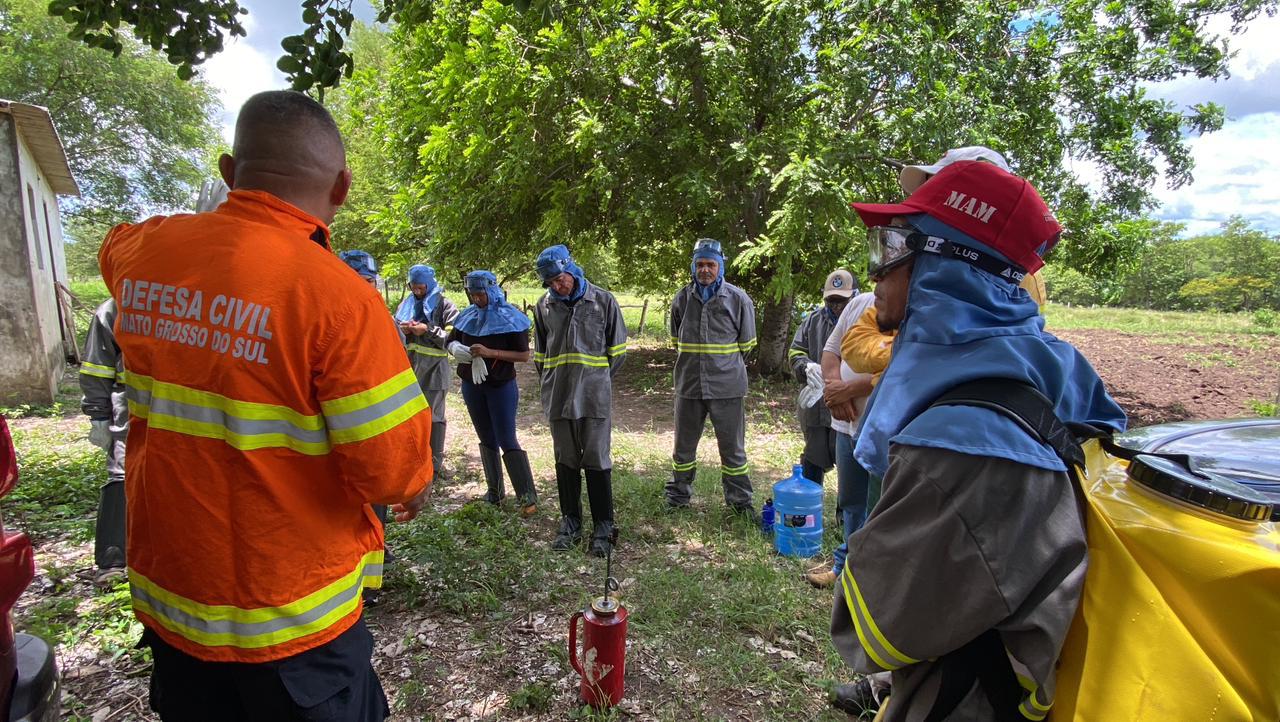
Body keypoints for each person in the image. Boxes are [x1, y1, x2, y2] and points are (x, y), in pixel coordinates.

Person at [98, 90, 434, 722]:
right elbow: (391, 471)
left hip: (176, 602)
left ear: (229, 173)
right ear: (342, 187)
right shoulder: (338, 298)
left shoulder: (139, 253)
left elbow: (114, 248)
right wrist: (414, 484)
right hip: (290, 619)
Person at [830, 161, 1126, 721]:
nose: (875, 274)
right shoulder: (1059, 369)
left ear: (945, 263)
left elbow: (873, 629)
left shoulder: (958, 444)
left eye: (891, 248)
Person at [532, 245, 627, 556]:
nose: (558, 287)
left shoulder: (602, 301)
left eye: (561, 279)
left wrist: (595, 380)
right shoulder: (544, 306)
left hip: (593, 396)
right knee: (566, 459)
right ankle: (570, 523)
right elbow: (540, 355)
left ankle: (604, 525)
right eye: (552, 283)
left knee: (597, 459)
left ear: (572, 270)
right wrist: (553, 381)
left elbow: (618, 352)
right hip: (558, 396)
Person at [666, 238, 758, 516]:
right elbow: (674, 339)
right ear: (693, 267)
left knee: (733, 451)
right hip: (689, 386)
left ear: (721, 267)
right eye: (700, 264)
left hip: (727, 386)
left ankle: (740, 503)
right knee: (683, 448)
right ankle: (678, 497)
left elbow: (748, 344)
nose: (705, 270)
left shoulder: (738, 299)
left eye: (711, 264)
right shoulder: (681, 299)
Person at [447, 271, 538, 515]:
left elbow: (523, 355)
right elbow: (450, 340)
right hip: (472, 386)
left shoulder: (512, 319)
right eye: (473, 294)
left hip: (500, 387)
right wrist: (456, 348)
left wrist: (490, 353)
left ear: (491, 291)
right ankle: (494, 493)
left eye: (481, 294)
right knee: (486, 438)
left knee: (506, 438)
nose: (477, 299)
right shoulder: (466, 316)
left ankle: (527, 497)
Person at [787, 270, 856, 486]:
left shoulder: (865, 320)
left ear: (855, 295)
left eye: (842, 301)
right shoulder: (812, 321)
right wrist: (806, 367)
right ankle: (810, 510)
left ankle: (844, 516)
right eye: (831, 300)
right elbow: (795, 352)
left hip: (849, 406)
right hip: (816, 407)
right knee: (813, 457)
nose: (836, 306)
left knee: (849, 462)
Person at [395, 264, 459, 483]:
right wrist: (404, 330)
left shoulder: (445, 305)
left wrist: (428, 330)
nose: (417, 292)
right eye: (414, 288)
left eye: (421, 288)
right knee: (410, 416)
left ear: (429, 285)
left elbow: (453, 338)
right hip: (410, 369)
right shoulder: (407, 303)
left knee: (434, 417)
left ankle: (434, 466)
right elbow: (395, 330)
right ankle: (412, 462)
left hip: (435, 370)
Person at [78, 298, 127, 581]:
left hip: (184, 410)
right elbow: (98, 365)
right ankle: (113, 561)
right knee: (123, 474)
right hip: (132, 407)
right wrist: (98, 414)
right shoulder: (115, 307)